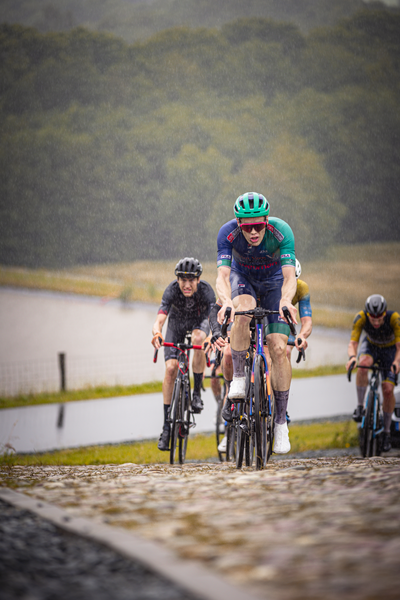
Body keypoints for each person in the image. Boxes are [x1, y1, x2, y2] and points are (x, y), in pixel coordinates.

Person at [215, 191, 297, 454]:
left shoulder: (281, 231)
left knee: (277, 347)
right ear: (239, 224)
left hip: (274, 283)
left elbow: (289, 277)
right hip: (244, 279)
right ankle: (239, 376)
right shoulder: (227, 233)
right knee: (245, 310)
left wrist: (285, 300)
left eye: (258, 226)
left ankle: (281, 423)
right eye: (247, 227)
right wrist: (227, 300)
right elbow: (222, 274)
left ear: (266, 221)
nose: (253, 232)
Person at [151, 257, 216, 451]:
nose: (186, 285)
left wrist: (210, 337)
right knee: (171, 368)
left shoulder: (206, 291)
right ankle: (166, 427)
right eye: (182, 280)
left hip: (199, 324)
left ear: (198, 280)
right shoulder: (171, 290)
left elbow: (214, 321)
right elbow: (159, 319)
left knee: (198, 340)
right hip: (176, 326)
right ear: (177, 280)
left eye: (191, 280)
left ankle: (196, 392)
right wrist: (156, 333)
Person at [346, 294, 400, 452]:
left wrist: (396, 363)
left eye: (379, 318)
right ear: (367, 314)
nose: (376, 322)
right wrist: (352, 358)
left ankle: (387, 433)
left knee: (388, 390)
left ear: (385, 313)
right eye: (372, 318)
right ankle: (360, 406)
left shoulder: (394, 319)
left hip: (390, 352)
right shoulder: (360, 318)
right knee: (362, 365)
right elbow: (353, 343)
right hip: (371, 346)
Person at [286, 259, 312, 366]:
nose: (290, 285)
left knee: (286, 352)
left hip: (285, 322)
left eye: (294, 281)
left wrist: (302, 335)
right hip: (265, 319)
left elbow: (307, 321)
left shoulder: (301, 287)